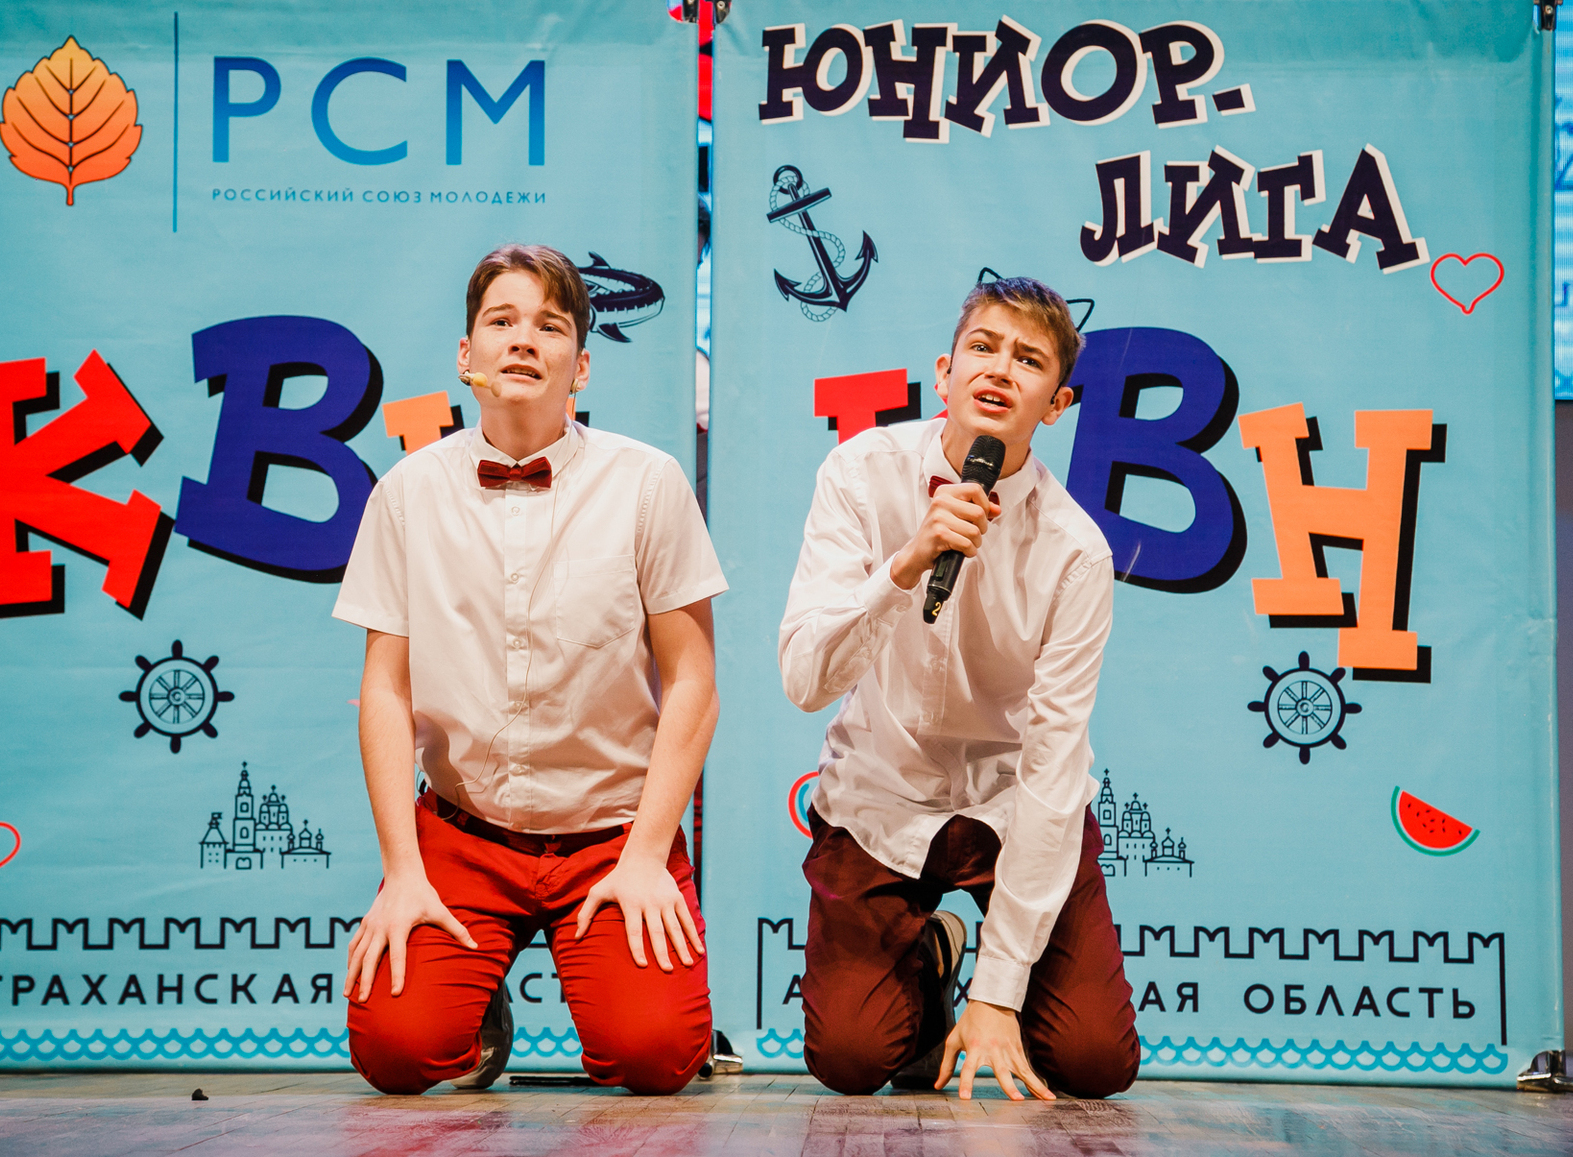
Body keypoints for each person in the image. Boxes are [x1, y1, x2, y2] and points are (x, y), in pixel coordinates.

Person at [333, 244, 726, 1095]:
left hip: (612, 833)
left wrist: (647, 854)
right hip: (465, 832)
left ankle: (617, 968)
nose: (522, 340)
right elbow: (385, 690)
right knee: (396, 1053)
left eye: (549, 326)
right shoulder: (406, 493)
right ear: (465, 355)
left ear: (580, 366)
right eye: (501, 321)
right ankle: (475, 1005)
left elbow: (693, 682)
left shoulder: (648, 483)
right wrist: (403, 872)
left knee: (655, 1056)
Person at [779, 276, 1138, 1101]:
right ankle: (932, 956)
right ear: (945, 374)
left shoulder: (1076, 551)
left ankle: (986, 987)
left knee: (1094, 1063)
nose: (1000, 369)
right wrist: (905, 566)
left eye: (1029, 360)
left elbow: (1053, 765)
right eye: (983, 347)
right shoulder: (859, 474)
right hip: (882, 792)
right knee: (851, 1061)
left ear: (1056, 406)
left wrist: (998, 996)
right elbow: (805, 680)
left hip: (1011, 801)